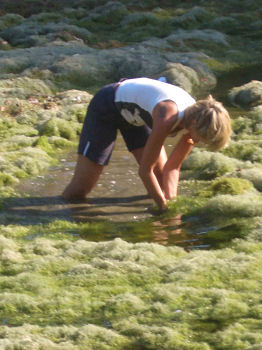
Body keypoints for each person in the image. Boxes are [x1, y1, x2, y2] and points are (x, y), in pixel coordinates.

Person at [62, 77, 231, 211]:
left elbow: (172, 168)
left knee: (160, 182)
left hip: (136, 116)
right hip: (108, 105)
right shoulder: (167, 116)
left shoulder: (198, 120)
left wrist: (172, 201)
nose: (198, 141)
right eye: (201, 137)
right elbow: (144, 170)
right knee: (80, 189)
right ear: (194, 124)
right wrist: (163, 208)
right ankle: (59, 212)